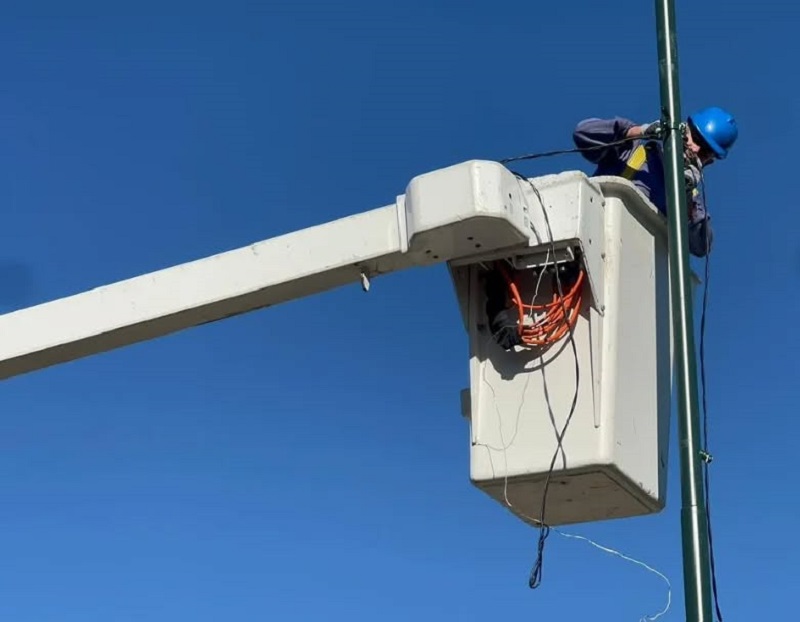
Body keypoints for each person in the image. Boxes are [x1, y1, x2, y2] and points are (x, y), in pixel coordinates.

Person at [572, 107, 738, 257]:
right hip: (593, 244)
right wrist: (640, 131)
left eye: (705, 151)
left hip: (635, 268)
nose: (695, 149)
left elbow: (701, 246)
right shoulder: (632, 153)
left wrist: (685, 193)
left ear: (709, 161)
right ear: (683, 129)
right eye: (695, 138)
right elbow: (583, 134)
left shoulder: (691, 200)